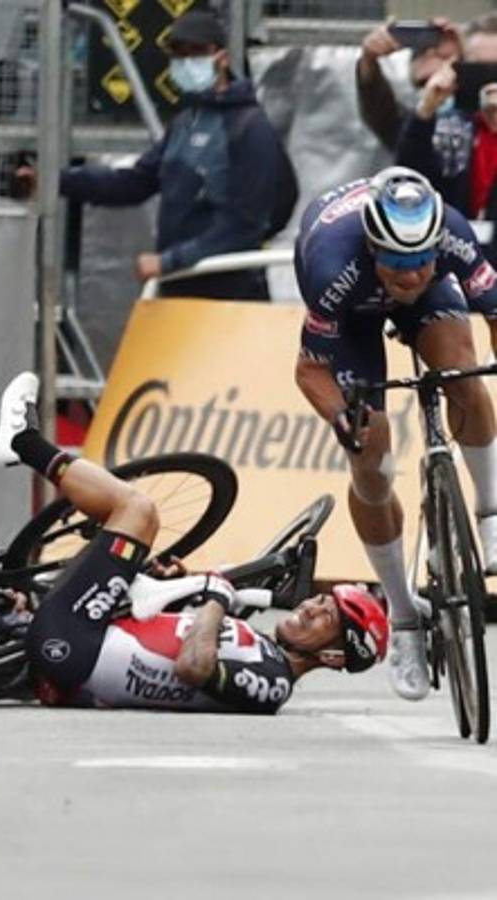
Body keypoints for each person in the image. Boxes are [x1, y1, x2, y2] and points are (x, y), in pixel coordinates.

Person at [0, 372, 391, 714]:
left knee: (139, 511)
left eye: (327, 616)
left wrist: (216, 599)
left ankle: (23, 442)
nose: (310, 606)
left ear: (334, 656)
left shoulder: (273, 685)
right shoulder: (263, 652)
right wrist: (180, 594)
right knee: (133, 539)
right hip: (81, 644)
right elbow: (175, 642)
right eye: (321, 600)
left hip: (73, 646)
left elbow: (193, 667)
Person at [293, 165, 497, 703]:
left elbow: (494, 314)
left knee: (464, 375)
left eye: (421, 261)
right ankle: (404, 614)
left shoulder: (452, 235)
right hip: (353, 314)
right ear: (373, 246)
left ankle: (491, 511)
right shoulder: (331, 268)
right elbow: (309, 370)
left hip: (429, 299)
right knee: (372, 458)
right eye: (398, 263)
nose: (410, 275)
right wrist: (342, 418)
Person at [12, 8, 293, 300]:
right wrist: (55, 182)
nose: (186, 61)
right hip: (179, 288)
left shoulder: (250, 128)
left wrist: (169, 261)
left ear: (221, 57)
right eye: (178, 53)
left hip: (229, 296)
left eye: (195, 52)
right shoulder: (186, 123)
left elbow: (246, 226)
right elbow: (133, 182)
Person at [396, 14, 497, 259]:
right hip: (454, 261)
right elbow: (409, 183)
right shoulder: (449, 126)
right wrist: (425, 110)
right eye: (479, 68)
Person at [356, 17, 463, 154]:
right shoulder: (406, 125)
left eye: (441, 56)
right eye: (423, 52)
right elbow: (380, 111)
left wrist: (464, 57)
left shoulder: (475, 118)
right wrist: (368, 60)